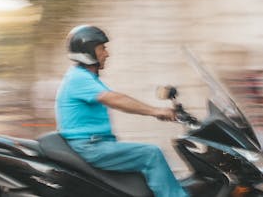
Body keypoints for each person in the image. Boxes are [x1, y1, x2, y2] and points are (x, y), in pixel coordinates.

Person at [55, 25, 188, 197]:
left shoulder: (84, 77)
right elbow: (115, 99)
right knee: (151, 154)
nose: (107, 53)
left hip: (96, 143)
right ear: (88, 52)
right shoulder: (78, 78)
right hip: (90, 146)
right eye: (102, 48)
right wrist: (157, 111)